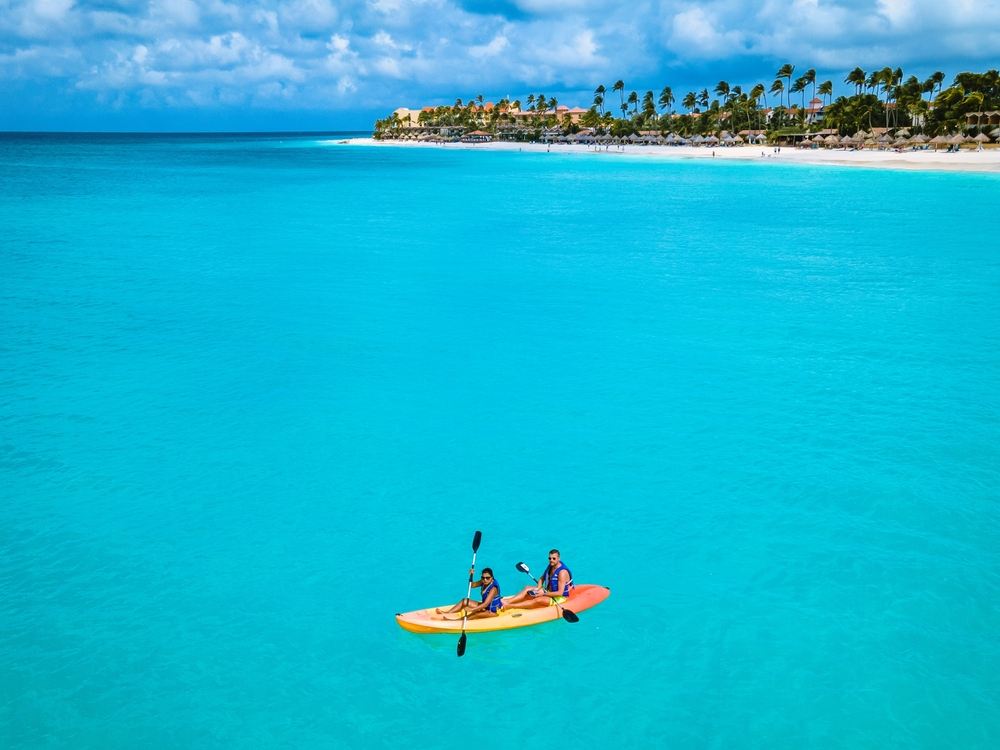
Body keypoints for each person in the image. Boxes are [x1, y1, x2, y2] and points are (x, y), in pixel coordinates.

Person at [502, 549, 573, 610]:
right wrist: (538, 588)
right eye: (550, 558)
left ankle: (510, 606)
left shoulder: (562, 573)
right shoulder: (551, 566)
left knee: (538, 600)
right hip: (548, 590)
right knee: (527, 588)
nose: (551, 560)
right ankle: (507, 601)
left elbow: (560, 593)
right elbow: (541, 579)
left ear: (559, 558)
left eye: (554, 558)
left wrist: (544, 594)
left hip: (559, 598)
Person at [434, 567, 502, 619]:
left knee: (476, 613)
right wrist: (471, 575)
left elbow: (485, 604)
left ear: (492, 577)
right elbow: (471, 585)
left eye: (487, 578)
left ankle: (458, 621)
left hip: (492, 612)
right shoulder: (483, 582)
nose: (485, 579)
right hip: (485, 607)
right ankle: (447, 613)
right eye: (483, 577)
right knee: (465, 601)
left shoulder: (493, 589)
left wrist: (471, 609)